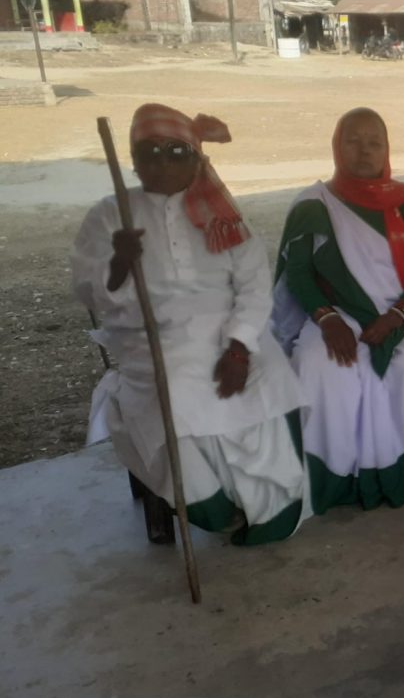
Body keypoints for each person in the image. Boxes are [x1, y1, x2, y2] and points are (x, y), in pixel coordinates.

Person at [73, 104, 306, 544]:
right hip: (151, 336)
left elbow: (255, 284)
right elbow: (87, 291)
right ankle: (211, 507)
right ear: (133, 159)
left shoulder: (220, 212)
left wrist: (239, 347)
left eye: (176, 151)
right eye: (149, 152)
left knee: (273, 375)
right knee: (176, 393)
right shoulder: (111, 214)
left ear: (196, 157)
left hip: (232, 329)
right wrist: (119, 264)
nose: (162, 162)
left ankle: (274, 507)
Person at [272, 108, 404, 513]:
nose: (364, 151)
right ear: (336, 146)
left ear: (387, 149)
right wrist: (327, 319)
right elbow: (299, 274)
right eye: (353, 141)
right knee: (321, 363)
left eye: (374, 142)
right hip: (337, 312)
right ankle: (333, 479)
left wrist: (396, 315)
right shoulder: (314, 205)